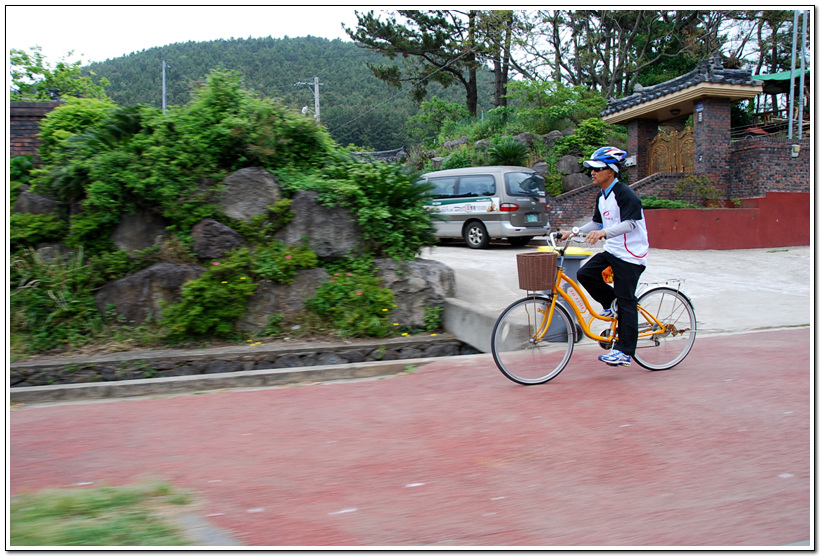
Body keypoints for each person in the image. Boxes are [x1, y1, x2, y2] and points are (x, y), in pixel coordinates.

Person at [558, 146, 649, 367]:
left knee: (627, 301)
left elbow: (630, 223)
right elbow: (596, 223)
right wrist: (572, 232)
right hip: (613, 251)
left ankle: (625, 352)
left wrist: (604, 233)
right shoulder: (602, 196)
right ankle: (611, 303)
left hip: (630, 255)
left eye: (597, 169)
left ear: (611, 171)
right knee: (585, 273)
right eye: (591, 168)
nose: (592, 172)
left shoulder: (625, 193)